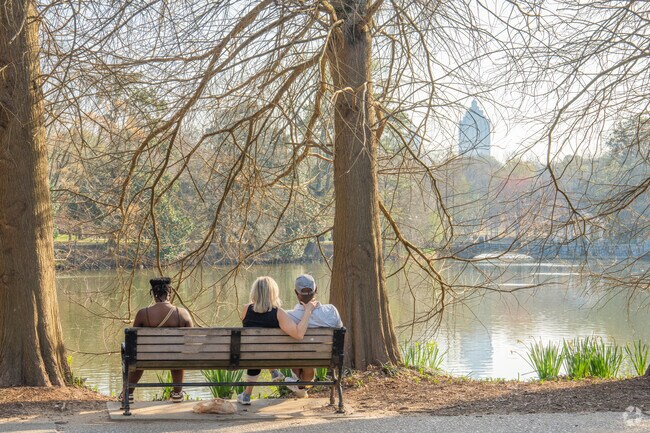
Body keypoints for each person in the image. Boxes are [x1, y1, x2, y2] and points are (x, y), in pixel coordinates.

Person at [237, 276, 318, 405]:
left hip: (249, 356)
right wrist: (308, 310)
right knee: (264, 349)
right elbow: (298, 334)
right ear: (274, 293)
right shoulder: (278, 313)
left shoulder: (246, 309)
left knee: (256, 350)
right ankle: (273, 370)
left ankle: (247, 394)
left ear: (254, 292)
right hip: (273, 357)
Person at [121, 277, 193, 405]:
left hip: (147, 359)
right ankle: (177, 393)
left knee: (140, 356)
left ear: (153, 294)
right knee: (177, 355)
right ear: (169, 293)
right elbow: (191, 340)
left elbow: (133, 341)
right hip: (176, 359)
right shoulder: (183, 314)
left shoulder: (143, 314)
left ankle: (128, 393)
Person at [284, 274, 343, 398]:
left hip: (299, 356)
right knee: (309, 359)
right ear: (316, 290)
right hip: (326, 357)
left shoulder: (288, 316)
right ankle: (301, 386)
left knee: (298, 351)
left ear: (296, 292)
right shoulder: (332, 311)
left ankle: (300, 385)